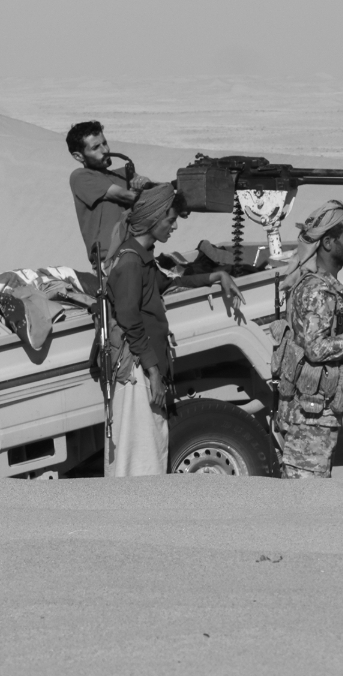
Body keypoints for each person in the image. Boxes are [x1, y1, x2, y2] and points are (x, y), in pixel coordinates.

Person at [104, 184, 244, 476]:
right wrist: (153, 371)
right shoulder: (130, 262)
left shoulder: (142, 257)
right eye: (170, 220)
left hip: (145, 367)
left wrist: (216, 276)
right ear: (153, 219)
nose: (174, 226)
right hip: (137, 372)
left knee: (148, 451)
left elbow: (169, 282)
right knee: (139, 457)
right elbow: (129, 318)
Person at [275, 200, 343, 479]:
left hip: (314, 418)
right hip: (308, 423)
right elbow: (315, 349)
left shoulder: (324, 287)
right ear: (327, 243)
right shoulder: (318, 290)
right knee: (307, 499)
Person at [66, 121, 152, 266]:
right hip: (111, 262)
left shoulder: (123, 174)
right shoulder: (80, 177)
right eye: (96, 147)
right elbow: (126, 195)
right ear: (79, 156)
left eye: (104, 143)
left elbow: (155, 198)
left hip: (142, 256)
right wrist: (148, 193)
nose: (105, 150)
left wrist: (148, 184)